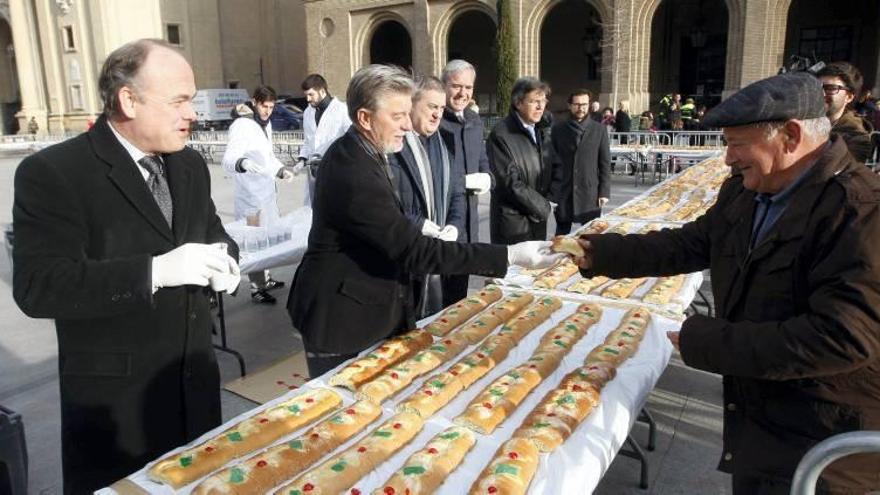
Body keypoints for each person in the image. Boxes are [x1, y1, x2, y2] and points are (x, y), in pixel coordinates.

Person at [573, 72, 880, 494]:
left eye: (737, 145)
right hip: (760, 426)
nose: (728, 159)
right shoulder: (747, 189)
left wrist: (708, 341)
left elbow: (842, 337)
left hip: (821, 449)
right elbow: (691, 243)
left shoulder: (859, 212)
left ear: (790, 136)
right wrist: (597, 252)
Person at [12, 38, 241, 493]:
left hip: (193, 390)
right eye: (179, 100)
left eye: (192, 100)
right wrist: (154, 272)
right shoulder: (56, 173)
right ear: (128, 101)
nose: (193, 112)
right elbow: (40, 286)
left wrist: (225, 259)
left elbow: (213, 231)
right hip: (119, 411)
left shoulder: (189, 165)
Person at [286, 65, 564, 377]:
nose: (407, 125)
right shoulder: (352, 169)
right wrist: (509, 255)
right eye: (397, 116)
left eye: (408, 114)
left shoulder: (365, 151)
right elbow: (413, 249)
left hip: (367, 306)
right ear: (365, 118)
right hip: (341, 320)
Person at [388, 75, 465, 316]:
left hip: (435, 258)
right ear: (411, 105)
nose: (438, 114)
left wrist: (454, 225)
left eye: (442, 108)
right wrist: (420, 225)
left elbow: (457, 194)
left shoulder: (445, 144)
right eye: (432, 107)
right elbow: (387, 203)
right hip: (402, 259)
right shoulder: (393, 145)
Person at [221, 85, 293, 304]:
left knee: (268, 237)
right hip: (250, 196)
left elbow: (268, 157)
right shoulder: (242, 125)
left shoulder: (265, 124)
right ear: (254, 102)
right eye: (264, 106)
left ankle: (267, 279)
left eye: (271, 107)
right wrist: (243, 163)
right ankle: (256, 289)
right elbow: (228, 159)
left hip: (267, 192)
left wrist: (280, 170)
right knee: (254, 241)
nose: (268, 111)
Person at [439, 59, 493, 304]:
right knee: (439, 294)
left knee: (459, 291)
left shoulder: (473, 119)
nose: (463, 93)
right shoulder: (435, 121)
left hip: (470, 219)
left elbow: (482, 156)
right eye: (456, 86)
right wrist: (462, 182)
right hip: (444, 220)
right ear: (444, 86)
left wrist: (487, 177)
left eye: (468, 87)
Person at [487, 77, 554, 244]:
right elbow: (509, 183)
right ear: (518, 103)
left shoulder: (541, 129)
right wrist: (543, 206)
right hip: (512, 223)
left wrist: (553, 195)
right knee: (516, 270)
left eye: (543, 101)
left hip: (537, 218)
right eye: (534, 101)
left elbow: (550, 166)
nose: (540, 107)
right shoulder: (501, 134)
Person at [549, 89, 611, 236]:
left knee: (591, 236)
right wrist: (551, 192)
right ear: (569, 105)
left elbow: (604, 163)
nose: (581, 108)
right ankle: (559, 260)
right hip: (564, 191)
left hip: (590, 192)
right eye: (576, 104)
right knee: (561, 235)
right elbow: (551, 162)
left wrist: (604, 191)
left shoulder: (599, 130)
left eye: (584, 104)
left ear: (589, 105)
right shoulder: (558, 129)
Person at [296, 73, 351, 204]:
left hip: (335, 167)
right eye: (306, 95)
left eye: (311, 94)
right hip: (313, 169)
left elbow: (351, 138)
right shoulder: (308, 112)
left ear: (322, 91)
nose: (308, 99)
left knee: (334, 206)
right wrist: (302, 159)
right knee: (312, 207)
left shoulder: (342, 110)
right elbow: (308, 140)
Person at [817, 61, 875, 163]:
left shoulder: (856, 136)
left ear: (849, 97)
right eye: (817, 87)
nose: (821, 93)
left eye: (830, 88)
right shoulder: (803, 121)